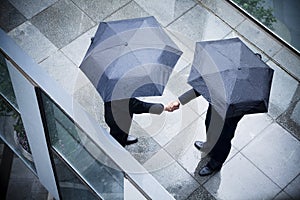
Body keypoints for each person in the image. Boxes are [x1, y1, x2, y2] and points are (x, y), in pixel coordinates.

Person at [165, 89, 244, 176]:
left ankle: (215, 163)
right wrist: (180, 100)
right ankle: (209, 145)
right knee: (209, 124)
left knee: (223, 138)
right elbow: (204, 85)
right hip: (216, 104)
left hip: (232, 112)